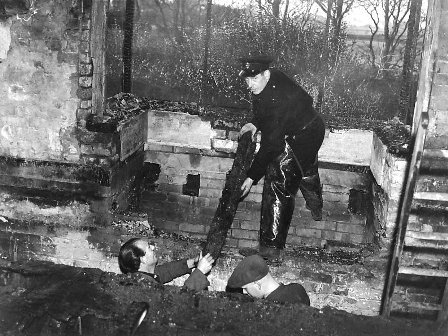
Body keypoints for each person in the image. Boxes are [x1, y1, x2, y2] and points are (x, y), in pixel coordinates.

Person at [238, 55, 326, 263]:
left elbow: (272, 146)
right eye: (247, 80)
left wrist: (251, 177)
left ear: (266, 74)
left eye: (254, 79)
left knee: (279, 179)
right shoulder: (271, 78)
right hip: (308, 126)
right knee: (302, 168)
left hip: (305, 134)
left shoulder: (278, 100)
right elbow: (263, 107)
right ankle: (315, 203)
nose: (250, 85)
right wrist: (254, 124)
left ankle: (271, 251)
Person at [118, 237, 214, 291]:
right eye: (148, 247)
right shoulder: (145, 286)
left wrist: (193, 262)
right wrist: (199, 273)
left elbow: (166, 271)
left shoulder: (141, 275)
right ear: (143, 259)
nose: (153, 247)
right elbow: (181, 301)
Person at [227, 255, 310, 305]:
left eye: (245, 288)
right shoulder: (298, 289)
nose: (244, 292)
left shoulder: (267, 309)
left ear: (258, 284)